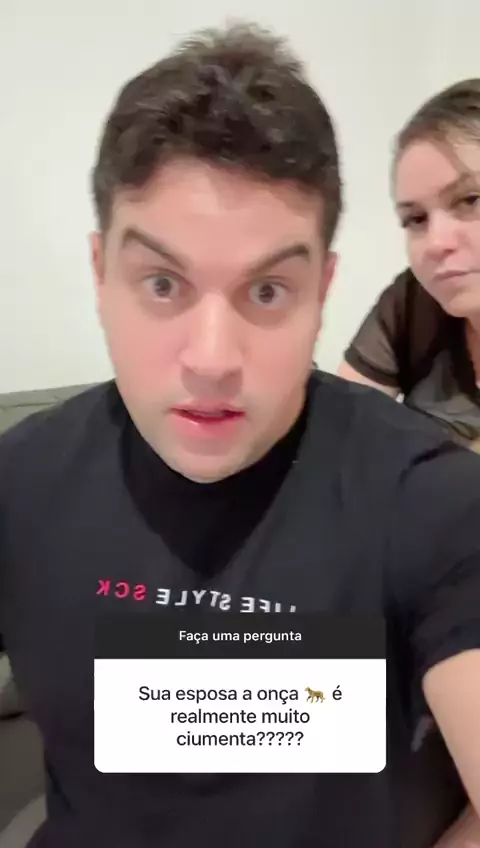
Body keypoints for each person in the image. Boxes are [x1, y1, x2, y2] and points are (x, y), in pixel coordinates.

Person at [0, 22, 479, 848]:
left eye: (266, 292)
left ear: (322, 289)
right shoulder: (18, 483)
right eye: (162, 284)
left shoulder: (430, 500)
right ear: (100, 273)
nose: (213, 360)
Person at [338, 79, 480, 452]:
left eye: (470, 199)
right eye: (416, 219)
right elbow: (339, 435)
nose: (436, 243)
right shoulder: (415, 302)